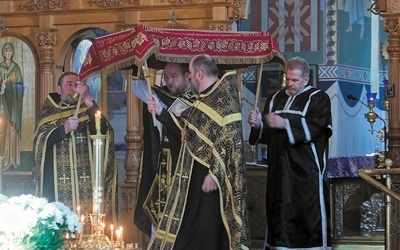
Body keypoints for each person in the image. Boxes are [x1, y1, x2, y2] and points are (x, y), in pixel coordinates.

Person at [147, 54, 250, 250]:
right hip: (192, 177)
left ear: (199, 74)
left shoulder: (223, 98)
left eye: (191, 74)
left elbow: (228, 143)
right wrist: (161, 111)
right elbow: (190, 125)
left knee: (209, 230)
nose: (190, 78)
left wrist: (214, 173)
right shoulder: (202, 98)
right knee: (191, 230)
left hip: (213, 180)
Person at [247, 56, 332, 249]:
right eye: (288, 79)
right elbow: (267, 135)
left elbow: (317, 128)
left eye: (295, 80)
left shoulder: (318, 98)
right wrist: (258, 124)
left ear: (306, 80)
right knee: (279, 213)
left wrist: (285, 123)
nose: (290, 84)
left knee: (305, 216)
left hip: (304, 172)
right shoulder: (275, 98)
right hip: (279, 169)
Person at [32, 72, 118, 233]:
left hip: (86, 181)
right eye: (69, 84)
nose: (73, 88)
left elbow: (104, 131)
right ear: (59, 89)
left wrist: (88, 98)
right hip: (57, 186)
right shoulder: (49, 113)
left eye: (77, 85)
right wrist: (63, 130)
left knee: (86, 227)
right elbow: (39, 142)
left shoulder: (88, 109)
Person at [132, 62, 195, 236]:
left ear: (187, 75)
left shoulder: (196, 101)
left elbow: (187, 132)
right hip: (163, 169)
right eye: (166, 77)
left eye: (174, 76)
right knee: (159, 222)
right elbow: (138, 87)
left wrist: (162, 112)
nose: (168, 81)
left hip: (186, 170)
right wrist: (140, 61)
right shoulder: (161, 96)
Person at [0, 42, 24, 169]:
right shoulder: (0, 67)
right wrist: (1, 87)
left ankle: (11, 158)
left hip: (13, 105)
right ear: (3, 53)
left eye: (10, 51)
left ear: (13, 53)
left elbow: (20, 88)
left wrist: (11, 85)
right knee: (2, 130)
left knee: (11, 130)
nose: (8, 53)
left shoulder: (16, 68)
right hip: (2, 104)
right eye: (6, 51)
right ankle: (1, 157)